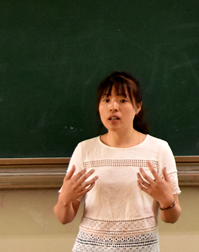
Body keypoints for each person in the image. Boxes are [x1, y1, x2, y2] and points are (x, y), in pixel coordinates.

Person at [54, 72, 181, 251]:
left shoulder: (159, 149)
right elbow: (64, 218)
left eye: (122, 100)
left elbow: (172, 217)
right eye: (106, 100)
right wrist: (64, 199)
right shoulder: (85, 150)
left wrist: (167, 201)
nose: (113, 107)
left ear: (138, 107)